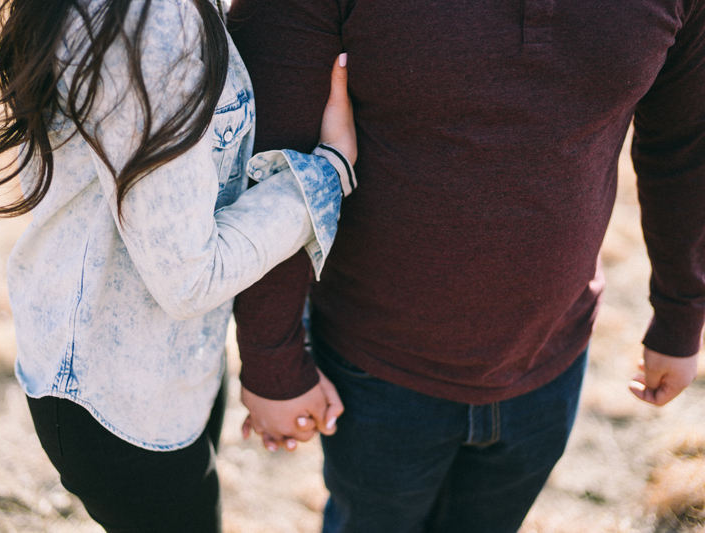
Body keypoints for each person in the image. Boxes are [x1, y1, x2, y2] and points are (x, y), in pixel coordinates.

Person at [228, 0, 705, 531]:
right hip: (373, 368)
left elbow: (683, 144)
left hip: (550, 356)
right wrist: (272, 359)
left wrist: (682, 312)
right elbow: (268, 156)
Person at [0, 0, 357, 530]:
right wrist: (326, 174)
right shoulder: (152, 21)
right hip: (117, 398)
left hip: (171, 367)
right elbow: (190, 278)